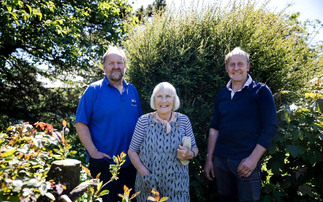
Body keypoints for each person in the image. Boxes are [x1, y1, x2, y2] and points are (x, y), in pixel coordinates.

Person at [204, 47, 277, 202]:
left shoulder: (261, 91)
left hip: (246, 162)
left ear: (248, 66)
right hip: (221, 161)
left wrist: (253, 159)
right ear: (226, 68)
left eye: (240, 64)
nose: (236, 68)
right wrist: (209, 160)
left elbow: (270, 128)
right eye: (232, 64)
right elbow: (214, 128)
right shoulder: (221, 95)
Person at [75, 46, 143, 201]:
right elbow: (80, 123)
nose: (116, 66)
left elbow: (141, 123)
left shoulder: (132, 90)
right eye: (111, 63)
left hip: (131, 165)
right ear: (104, 67)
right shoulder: (93, 90)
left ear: (125, 66)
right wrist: (93, 153)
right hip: (103, 164)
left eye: (120, 62)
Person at [128, 82, 198, 202]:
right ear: (154, 100)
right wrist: (144, 173)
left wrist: (190, 154)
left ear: (174, 100)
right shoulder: (144, 121)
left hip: (177, 186)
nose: (163, 100)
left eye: (168, 96)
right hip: (149, 185)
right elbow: (132, 151)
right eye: (159, 96)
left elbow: (194, 148)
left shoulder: (183, 120)